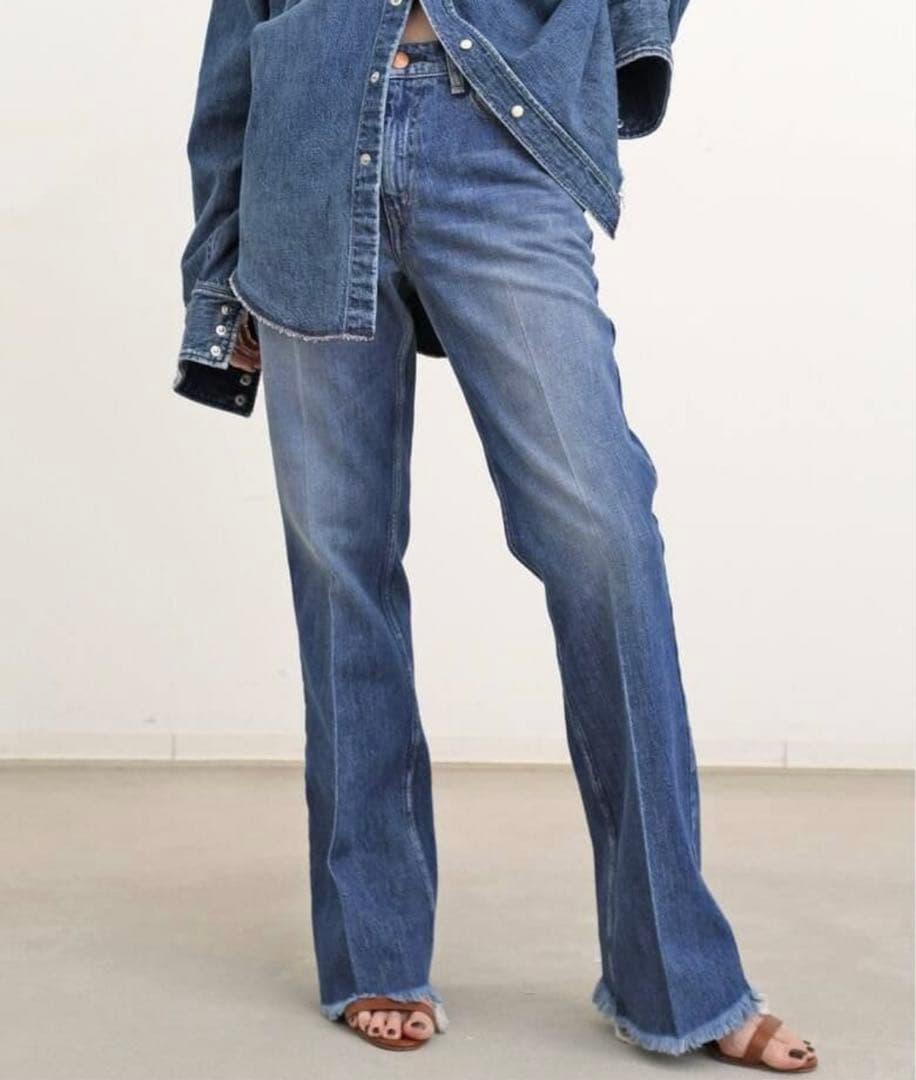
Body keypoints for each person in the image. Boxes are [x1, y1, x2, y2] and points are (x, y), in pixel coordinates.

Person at [172, 0, 818, 1071]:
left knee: (604, 538)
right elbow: (239, 30)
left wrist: (604, 60)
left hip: (500, 136)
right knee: (340, 565)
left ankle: (676, 973)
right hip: (307, 151)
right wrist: (217, 273)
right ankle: (375, 949)